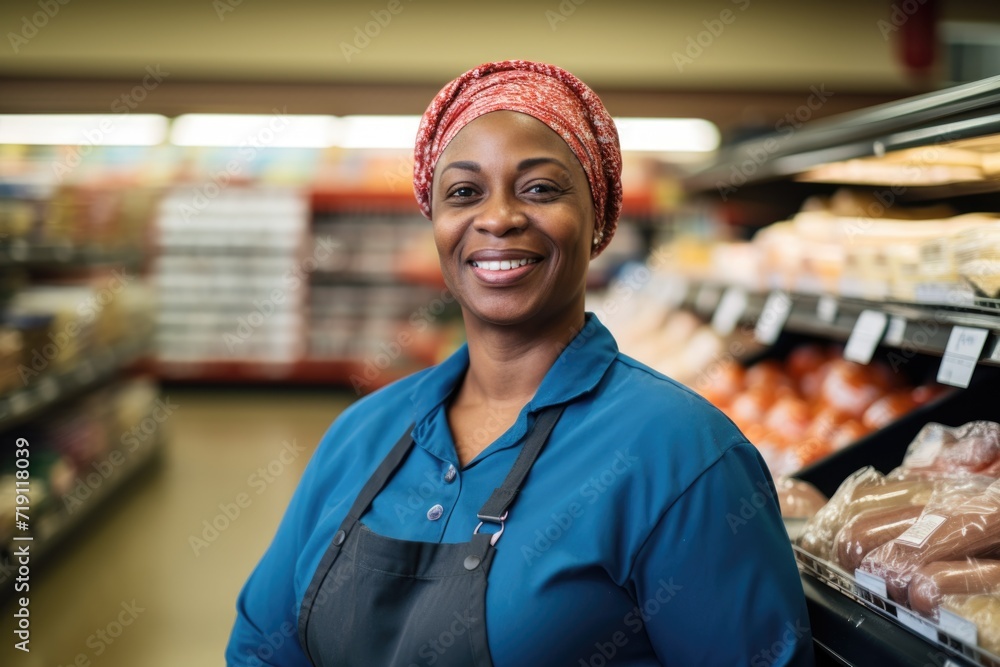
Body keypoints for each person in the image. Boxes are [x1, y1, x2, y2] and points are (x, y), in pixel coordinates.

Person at [226, 60, 814, 666]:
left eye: (539, 188)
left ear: (599, 220)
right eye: (463, 192)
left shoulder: (682, 454)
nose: (498, 217)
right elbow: (261, 648)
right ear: (436, 221)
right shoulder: (361, 434)